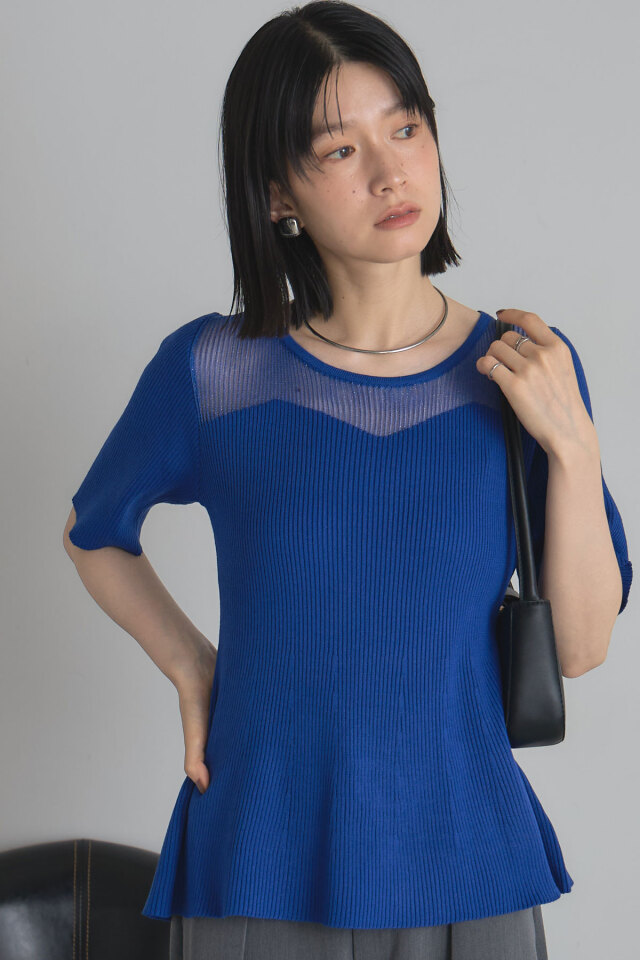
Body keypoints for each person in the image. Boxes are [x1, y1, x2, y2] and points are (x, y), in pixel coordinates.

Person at [63, 3, 632, 959]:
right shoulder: (214, 372)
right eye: (339, 149)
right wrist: (192, 666)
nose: (391, 171)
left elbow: (579, 649)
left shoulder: (523, 366)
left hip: (466, 857)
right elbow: (94, 533)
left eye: (405, 128)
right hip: (261, 850)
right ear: (276, 194)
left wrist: (572, 447)